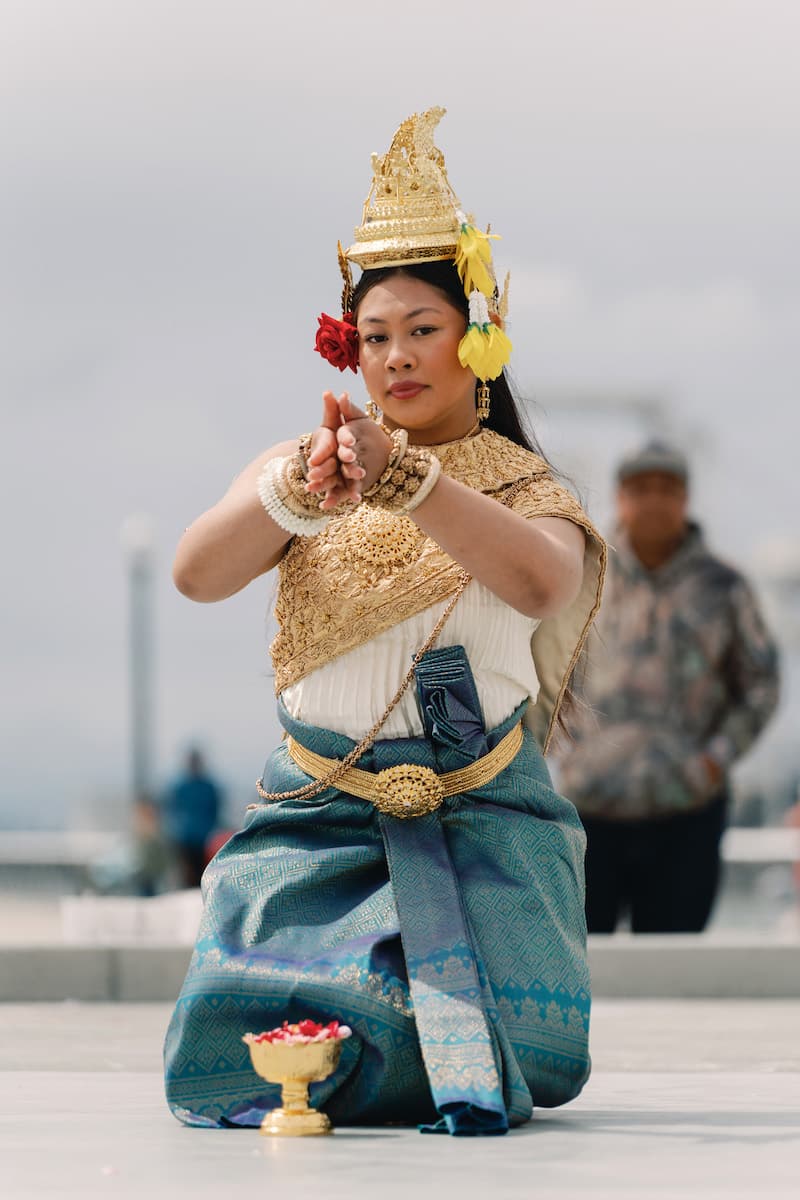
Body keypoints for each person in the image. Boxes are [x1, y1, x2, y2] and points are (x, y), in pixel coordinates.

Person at [163, 108, 606, 1136]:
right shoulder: (300, 470)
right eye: (374, 338)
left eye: (422, 331)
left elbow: (543, 585)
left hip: (479, 820)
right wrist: (288, 501)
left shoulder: (524, 486)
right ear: (347, 351)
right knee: (228, 1058)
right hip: (314, 821)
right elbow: (193, 574)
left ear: (475, 338)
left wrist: (411, 483)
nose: (396, 359)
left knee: (528, 1056)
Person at [558, 439, 780, 934]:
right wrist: (561, 750)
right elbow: (547, 671)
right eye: (640, 488)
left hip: (687, 810)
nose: (653, 500)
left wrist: (714, 760)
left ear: (685, 499)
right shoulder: (584, 576)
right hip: (589, 808)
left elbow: (761, 685)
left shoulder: (723, 587)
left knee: (673, 974)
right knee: (584, 968)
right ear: (620, 498)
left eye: (666, 488)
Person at [161, 748, 222, 889]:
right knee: (186, 877)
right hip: (184, 839)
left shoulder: (208, 787)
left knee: (203, 876)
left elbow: (215, 810)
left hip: (204, 838)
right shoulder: (180, 786)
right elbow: (171, 810)